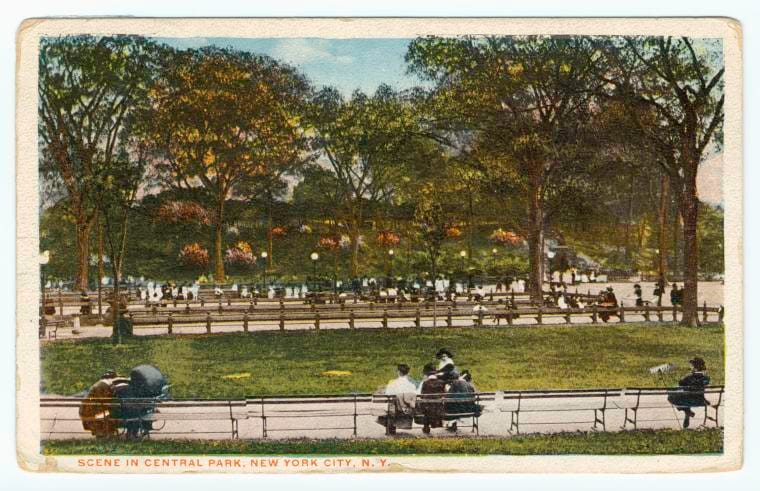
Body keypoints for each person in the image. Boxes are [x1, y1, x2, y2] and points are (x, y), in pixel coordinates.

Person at [668, 357, 711, 428]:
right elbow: (705, 383)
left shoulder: (689, 377)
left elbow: (681, 383)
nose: (691, 367)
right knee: (684, 395)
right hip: (700, 401)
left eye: (692, 365)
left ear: (694, 366)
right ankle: (687, 412)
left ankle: (687, 411)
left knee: (670, 397)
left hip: (688, 400)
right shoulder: (706, 377)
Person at [415, 363, 447, 434]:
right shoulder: (442, 382)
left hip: (427, 409)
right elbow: (445, 394)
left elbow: (421, 396)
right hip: (439, 407)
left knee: (424, 405)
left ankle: (426, 426)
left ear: (426, 374)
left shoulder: (425, 383)